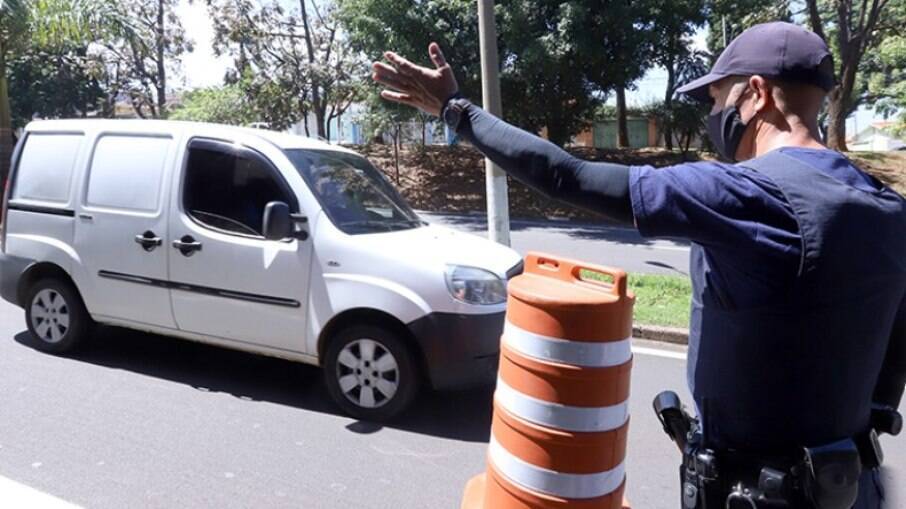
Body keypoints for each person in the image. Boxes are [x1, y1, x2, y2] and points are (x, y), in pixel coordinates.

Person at [372, 21, 905, 508]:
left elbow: (569, 176)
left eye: (718, 99)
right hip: (855, 485)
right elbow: (894, 349)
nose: (714, 115)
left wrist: (457, 110)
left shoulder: (744, 193)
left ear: (757, 94)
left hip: (758, 492)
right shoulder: (885, 205)